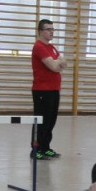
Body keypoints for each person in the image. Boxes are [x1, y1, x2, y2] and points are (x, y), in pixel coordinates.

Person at [31, 19, 66, 160]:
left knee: (51, 121)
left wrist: (58, 63)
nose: (52, 32)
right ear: (41, 31)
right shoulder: (39, 47)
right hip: (42, 90)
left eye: (53, 29)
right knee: (41, 121)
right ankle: (36, 149)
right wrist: (58, 63)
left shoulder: (52, 47)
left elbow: (64, 63)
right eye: (48, 29)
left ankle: (46, 147)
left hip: (54, 89)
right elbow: (54, 66)